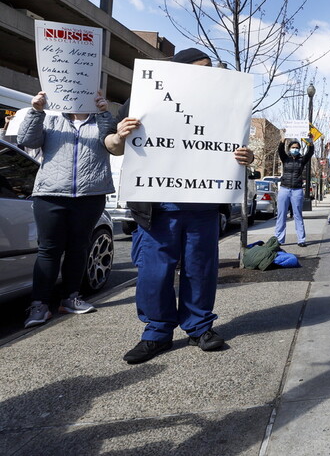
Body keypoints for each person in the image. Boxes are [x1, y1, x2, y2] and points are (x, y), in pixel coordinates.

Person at [107, 47, 256, 364]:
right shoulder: (146, 96)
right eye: (201, 68)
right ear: (180, 69)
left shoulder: (221, 106)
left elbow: (235, 149)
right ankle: (156, 333)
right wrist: (119, 136)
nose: (207, 73)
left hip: (203, 207)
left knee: (200, 270)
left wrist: (247, 157)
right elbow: (109, 142)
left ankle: (199, 327)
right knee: (154, 273)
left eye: (210, 68)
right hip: (157, 209)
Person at [18, 90, 119, 327]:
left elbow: (113, 144)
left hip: (90, 195)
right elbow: (27, 141)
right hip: (50, 195)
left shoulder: (101, 120)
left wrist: (105, 112)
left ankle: (71, 298)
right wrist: (36, 111)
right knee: (49, 250)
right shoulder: (51, 118)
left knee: (79, 247)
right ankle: (39, 305)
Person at [274, 136, 314, 246]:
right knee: (281, 215)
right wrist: (282, 141)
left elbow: (310, 152)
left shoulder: (302, 160)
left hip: (297, 190)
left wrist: (310, 141)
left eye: (297, 147)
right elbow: (280, 150)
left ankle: (301, 239)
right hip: (284, 188)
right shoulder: (285, 158)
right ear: (289, 148)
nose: (295, 149)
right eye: (293, 147)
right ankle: (278, 239)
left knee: (298, 215)